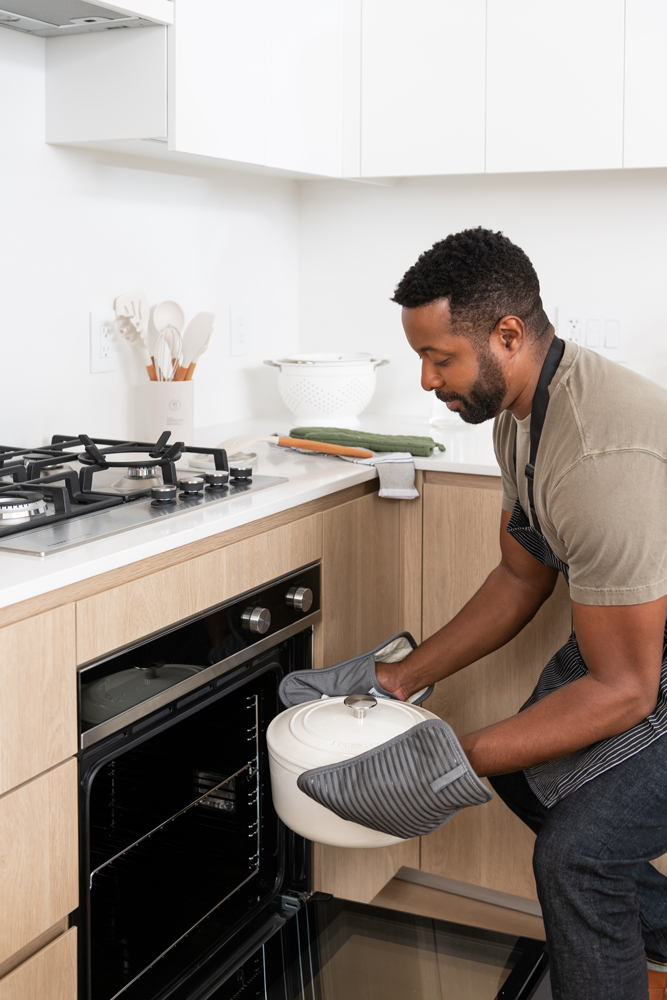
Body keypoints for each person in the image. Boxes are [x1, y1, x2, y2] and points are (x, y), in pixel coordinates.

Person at [374, 228, 667, 1000]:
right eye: (421, 359)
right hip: (634, 629)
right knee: (525, 776)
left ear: (507, 335)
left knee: (577, 857)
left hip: (641, 658)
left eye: (441, 358)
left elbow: (625, 690)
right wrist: (404, 677)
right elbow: (518, 573)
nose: (429, 380)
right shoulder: (518, 412)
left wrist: (445, 762)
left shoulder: (600, 461)